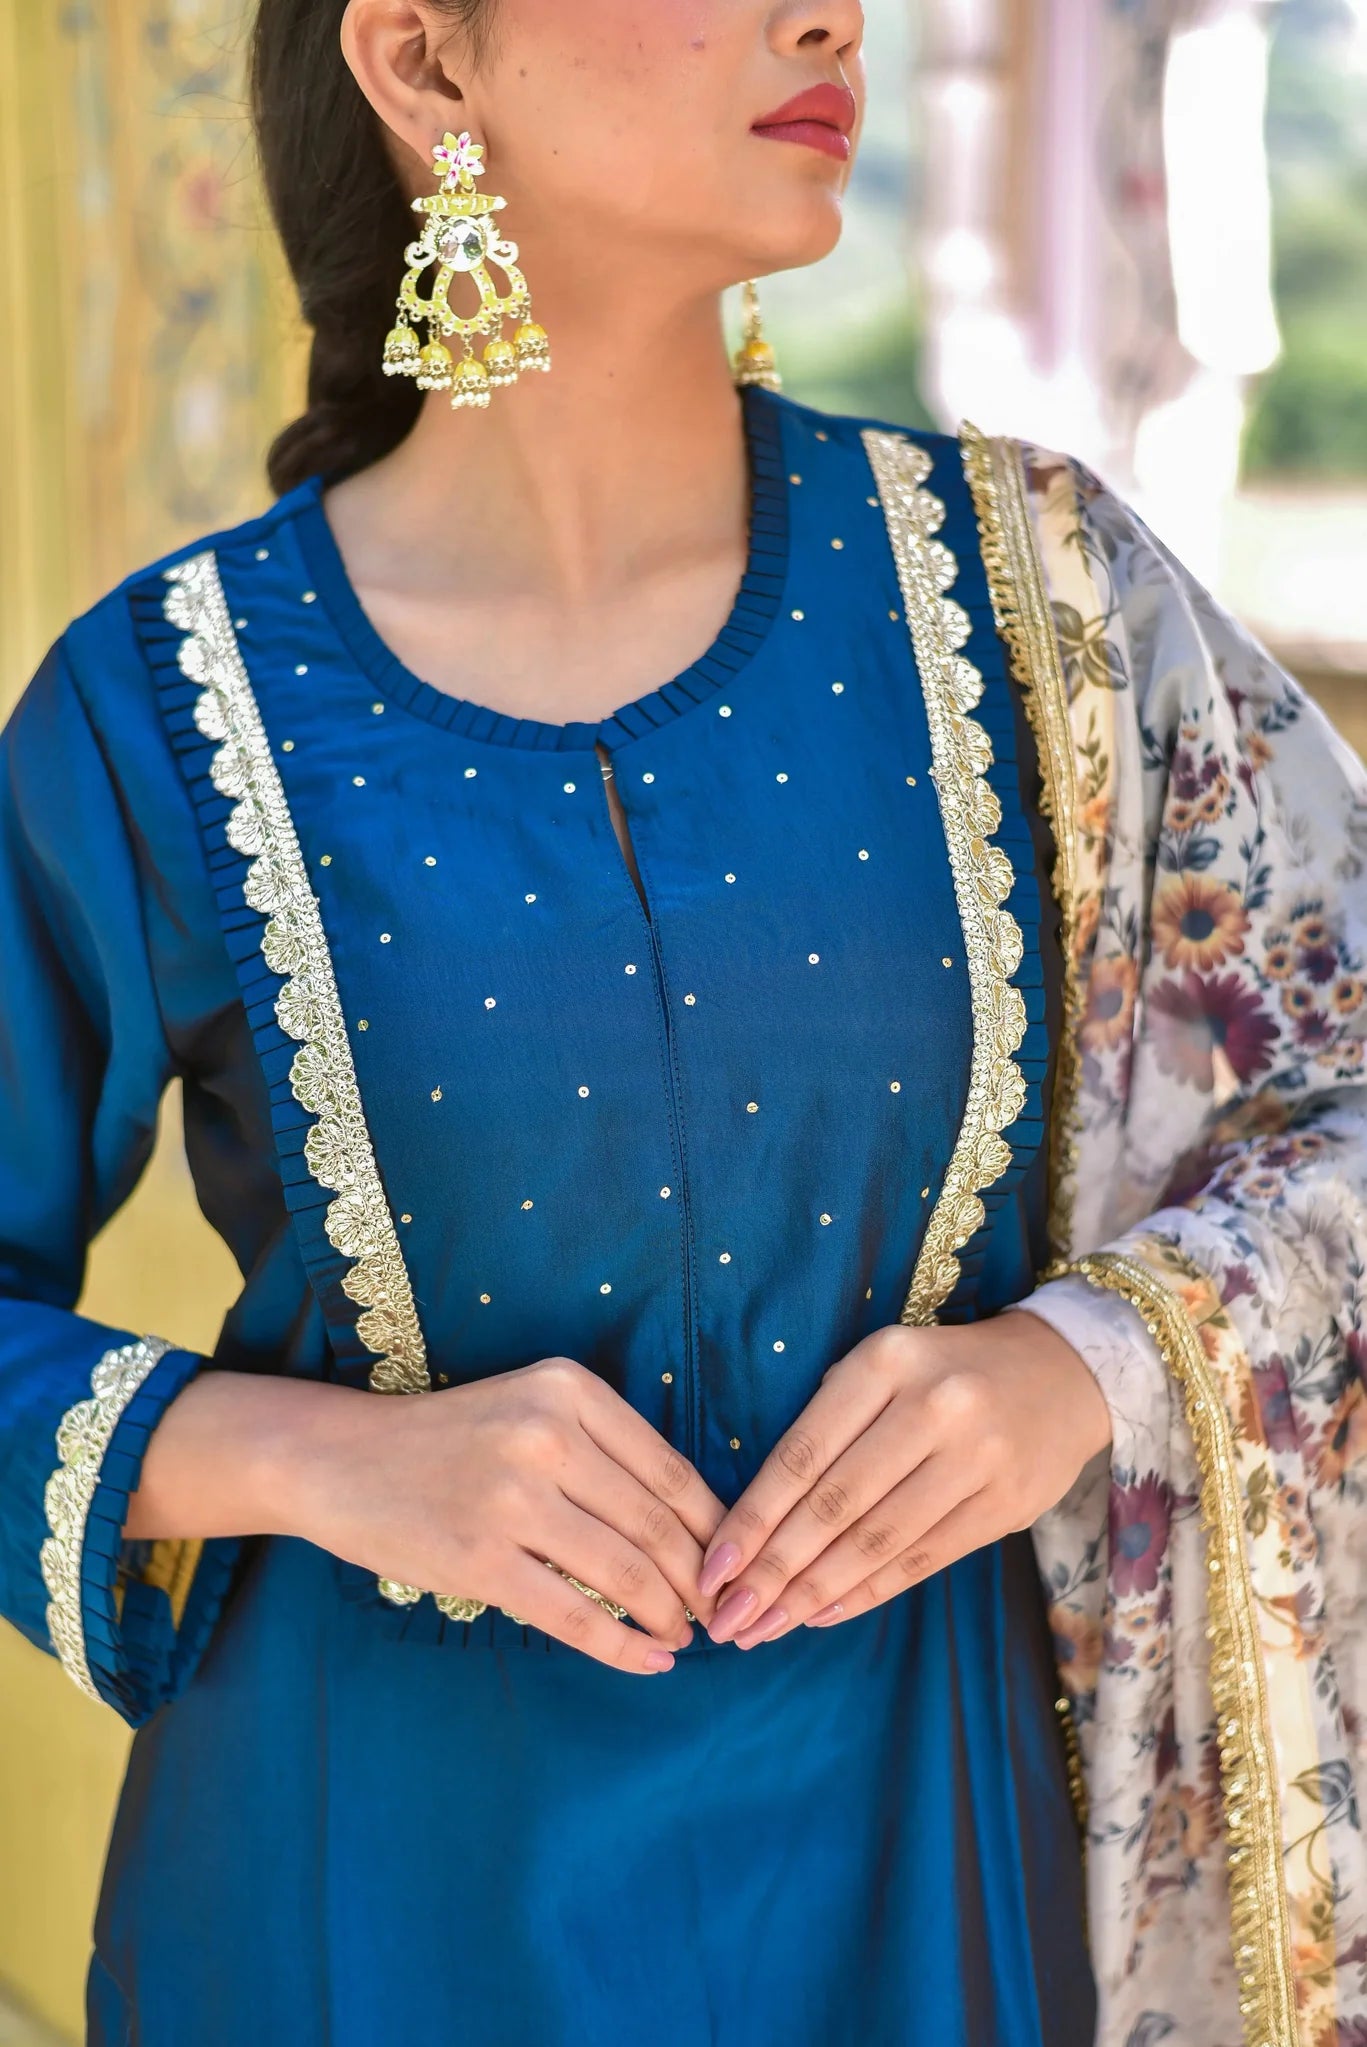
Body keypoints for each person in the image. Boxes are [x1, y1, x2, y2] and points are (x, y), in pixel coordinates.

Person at [0, 1, 1362, 2040]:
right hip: (352, 1911)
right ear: (422, 62)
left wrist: (1080, 1369)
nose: (830, 15)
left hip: (929, 1887)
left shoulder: (1045, 615)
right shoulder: (161, 711)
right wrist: (315, 1460)